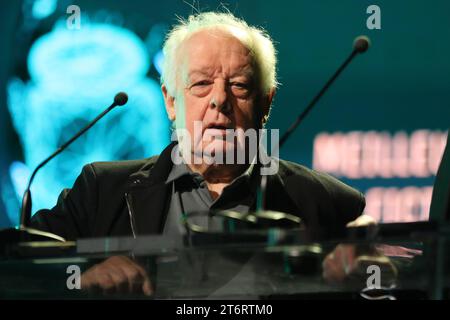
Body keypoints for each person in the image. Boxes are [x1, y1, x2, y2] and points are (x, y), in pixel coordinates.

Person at [30, 11, 373, 296]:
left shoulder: (328, 203)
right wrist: (79, 277)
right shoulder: (101, 191)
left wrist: (375, 274)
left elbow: (384, 285)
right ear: (170, 101)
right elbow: (17, 268)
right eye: (200, 84)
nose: (219, 100)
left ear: (265, 104)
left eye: (239, 85)